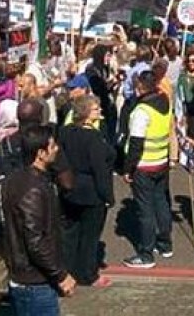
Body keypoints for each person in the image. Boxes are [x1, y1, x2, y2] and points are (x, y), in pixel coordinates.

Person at [1, 127, 76, 316]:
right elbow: (35, 241)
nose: (57, 149)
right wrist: (61, 274)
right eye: (52, 146)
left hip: (28, 278)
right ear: (40, 154)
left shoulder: (17, 179)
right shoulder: (33, 189)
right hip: (34, 283)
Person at [58, 95, 115, 287]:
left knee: (69, 233)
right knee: (90, 237)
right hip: (91, 191)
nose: (99, 110)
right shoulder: (94, 137)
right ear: (86, 114)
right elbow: (100, 169)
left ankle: (68, 271)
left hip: (69, 187)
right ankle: (88, 274)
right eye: (95, 108)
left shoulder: (65, 132)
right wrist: (108, 196)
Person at [121, 70, 173, 269]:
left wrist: (128, 169)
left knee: (145, 210)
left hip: (144, 165)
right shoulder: (164, 101)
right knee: (161, 202)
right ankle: (165, 244)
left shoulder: (141, 111)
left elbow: (136, 143)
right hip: (161, 161)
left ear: (141, 88)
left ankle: (146, 254)